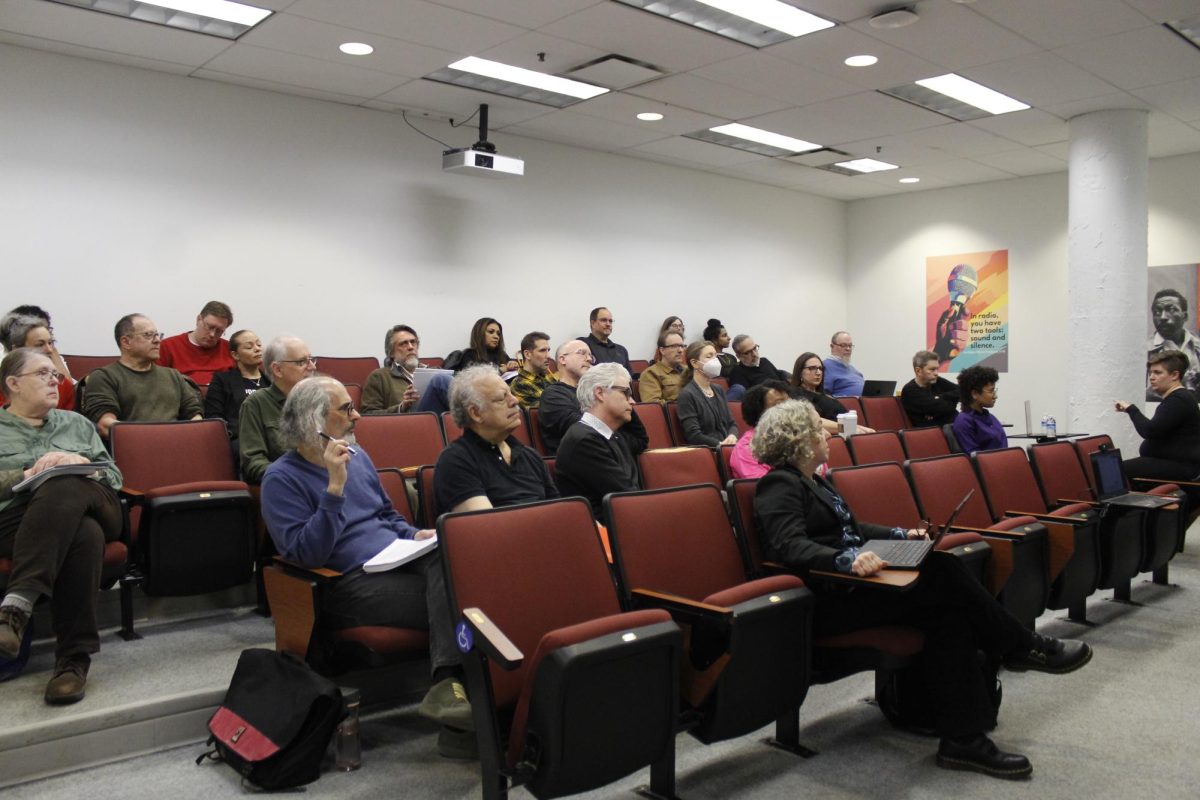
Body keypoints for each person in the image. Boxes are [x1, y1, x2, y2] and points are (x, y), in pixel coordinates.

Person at [752, 398, 1092, 780]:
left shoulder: (815, 480)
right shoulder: (778, 484)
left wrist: (902, 535)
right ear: (798, 439)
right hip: (831, 599)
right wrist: (846, 560)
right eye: (818, 428)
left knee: (948, 615)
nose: (828, 433)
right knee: (942, 568)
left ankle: (963, 740)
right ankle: (1022, 646)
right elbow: (788, 546)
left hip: (860, 587)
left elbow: (854, 530)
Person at [259, 376, 471, 752]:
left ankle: (454, 700)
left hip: (398, 561)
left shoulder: (358, 456)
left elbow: (385, 515)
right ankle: (459, 702)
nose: (357, 415)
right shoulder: (281, 478)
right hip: (345, 584)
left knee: (462, 555)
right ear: (315, 421)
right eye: (345, 409)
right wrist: (334, 489)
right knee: (467, 596)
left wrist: (411, 535)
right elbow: (305, 555)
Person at [0, 348, 123, 704]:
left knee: (65, 482)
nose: (55, 380)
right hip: (16, 520)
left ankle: (17, 606)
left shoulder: (77, 423)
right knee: (84, 534)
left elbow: (114, 475)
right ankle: (73, 661)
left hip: (99, 504)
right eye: (42, 374)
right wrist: (28, 471)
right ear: (13, 383)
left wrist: (80, 461)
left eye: (55, 375)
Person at [434, 365, 559, 514]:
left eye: (511, 394)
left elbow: (559, 513)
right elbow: (487, 527)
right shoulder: (456, 460)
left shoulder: (530, 456)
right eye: (501, 398)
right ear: (476, 413)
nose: (515, 401)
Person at [83, 314, 202, 440]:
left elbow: (195, 416)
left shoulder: (173, 375)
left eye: (157, 335)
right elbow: (105, 425)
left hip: (178, 446)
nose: (157, 340)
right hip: (132, 449)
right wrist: (153, 438)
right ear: (126, 342)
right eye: (148, 335)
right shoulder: (104, 376)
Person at [555, 363, 641, 517]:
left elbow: (641, 440)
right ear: (600, 393)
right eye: (626, 393)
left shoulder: (612, 435)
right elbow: (626, 497)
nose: (633, 402)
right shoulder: (584, 441)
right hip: (603, 532)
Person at [239, 335, 317, 483]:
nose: (312, 367)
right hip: (287, 485)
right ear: (278, 370)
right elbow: (253, 462)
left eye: (311, 359)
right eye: (302, 362)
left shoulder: (322, 398)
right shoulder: (256, 404)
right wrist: (290, 476)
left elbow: (348, 444)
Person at [1115, 350, 1200, 482]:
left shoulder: (1178, 400)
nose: (1151, 377)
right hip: (1174, 464)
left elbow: (1149, 431)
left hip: (1182, 468)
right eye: (1150, 373)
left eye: (1158, 373)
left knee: (1115, 471)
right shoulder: (1178, 398)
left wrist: (1131, 409)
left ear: (1174, 375)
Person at [204, 330, 270, 457]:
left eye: (259, 344)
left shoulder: (271, 381)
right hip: (241, 440)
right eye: (249, 347)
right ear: (235, 355)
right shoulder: (222, 380)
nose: (257, 349)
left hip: (271, 438)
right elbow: (214, 418)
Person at [789, 352, 875, 435]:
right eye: (812, 368)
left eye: (820, 368)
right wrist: (849, 428)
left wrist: (859, 428)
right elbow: (812, 421)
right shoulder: (796, 395)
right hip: (834, 435)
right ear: (800, 372)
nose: (818, 373)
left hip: (846, 432)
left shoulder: (825, 395)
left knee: (871, 433)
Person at [1, 315, 75, 410]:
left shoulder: (63, 385)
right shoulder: (3, 384)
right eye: (40, 345)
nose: (49, 350)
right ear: (17, 350)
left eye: (50, 343)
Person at [156, 300, 235, 385]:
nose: (212, 334)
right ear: (198, 319)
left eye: (219, 331)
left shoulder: (230, 350)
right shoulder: (168, 346)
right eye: (210, 327)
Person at [538, 340, 594, 455]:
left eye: (590, 355)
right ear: (563, 359)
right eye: (582, 353)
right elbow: (585, 430)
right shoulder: (553, 395)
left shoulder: (594, 392)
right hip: (579, 461)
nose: (588, 359)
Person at [677, 341, 737, 447]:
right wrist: (720, 444)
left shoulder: (719, 390)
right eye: (709, 356)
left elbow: (731, 423)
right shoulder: (687, 395)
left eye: (715, 356)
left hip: (728, 447)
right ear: (694, 363)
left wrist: (732, 436)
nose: (715, 360)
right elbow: (693, 435)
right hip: (709, 450)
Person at [728, 379, 791, 480]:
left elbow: (819, 472)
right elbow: (769, 486)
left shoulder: (795, 437)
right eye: (779, 405)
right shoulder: (747, 448)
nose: (790, 409)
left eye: (789, 403)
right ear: (759, 411)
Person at [1146, 289, 1200, 400]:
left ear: (1185, 316)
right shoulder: (1143, 350)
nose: (1162, 317)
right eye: (1157, 312)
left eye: (1171, 310)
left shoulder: (1197, 346)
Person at [361, 325, 422, 414]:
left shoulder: (434, 372)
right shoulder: (379, 377)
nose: (410, 347)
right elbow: (368, 414)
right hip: (404, 425)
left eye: (413, 342)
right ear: (391, 353)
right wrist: (401, 408)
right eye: (403, 343)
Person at [952, 365, 1006, 453]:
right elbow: (975, 457)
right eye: (991, 391)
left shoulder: (991, 417)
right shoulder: (963, 421)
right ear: (975, 394)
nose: (995, 396)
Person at [901, 349, 960, 428]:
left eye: (937, 369)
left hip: (952, 425)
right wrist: (953, 401)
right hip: (932, 432)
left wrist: (942, 397)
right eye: (932, 369)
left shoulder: (937, 381)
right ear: (918, 371)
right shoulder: (910, 390)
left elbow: (962, 391)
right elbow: (942, 408)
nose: (936, 373)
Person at [510, 331, 558, 409]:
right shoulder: (519, 385)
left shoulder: (548, 377)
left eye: (548, 350)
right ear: (527, 354)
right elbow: (548, 411)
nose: (548, 356)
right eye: (542, 350)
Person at [638, 331, 686, 403]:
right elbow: (653, 405)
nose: (680, 350)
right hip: (675, 412)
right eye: (674, 346)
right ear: (662, 350)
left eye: (682, 346)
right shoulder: (651, 373)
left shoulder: (689, 370)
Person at [823, 331, 864, 397]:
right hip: (841, 406)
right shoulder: (825, 366)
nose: (848, 349)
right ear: (832, 346)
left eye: (850, 346)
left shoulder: (854, 370)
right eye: (843, 345)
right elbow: (823, 396)